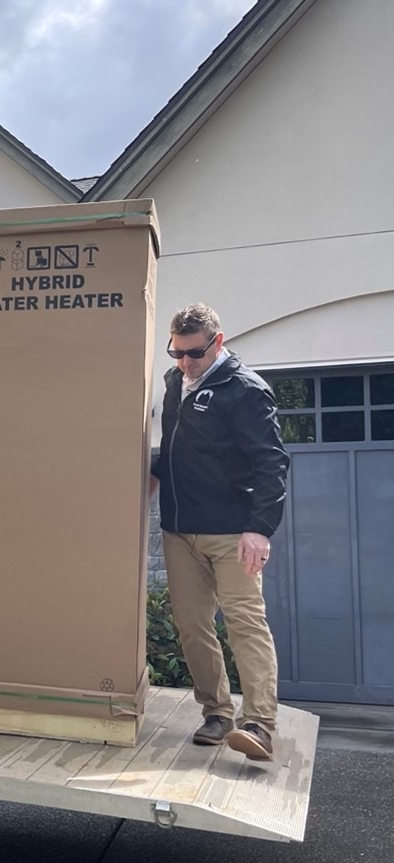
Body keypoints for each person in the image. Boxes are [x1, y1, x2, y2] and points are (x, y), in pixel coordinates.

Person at [149, 303, 289, 761]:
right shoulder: (175, 383)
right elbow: (175, 448)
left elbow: (271, 462)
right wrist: (152, 476)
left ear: (218, 342)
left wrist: (259, 529)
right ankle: (217, 712)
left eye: (194, 353)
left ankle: (260, 725)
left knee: (245, 625)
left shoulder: (245, 391)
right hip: (180, 530)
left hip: (233, 533)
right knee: (191, 626)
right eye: (177, 353)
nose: (185, 363)